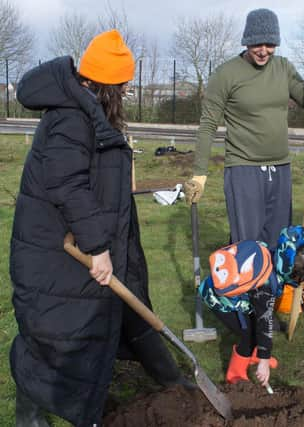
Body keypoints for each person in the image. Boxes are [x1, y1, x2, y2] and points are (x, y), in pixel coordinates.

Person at [11, 30, 189, 427]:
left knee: (106, 318)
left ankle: (171, 382)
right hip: (55, 250)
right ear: (105, 84)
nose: (125, 93)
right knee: (58, 333)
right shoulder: (72, 118)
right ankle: (35, 416)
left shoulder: (82, 109)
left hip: (78, 239)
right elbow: (68, 185)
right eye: (122, 86)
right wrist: (99, 248)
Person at [184, 8, 304, 252]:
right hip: (244, 169)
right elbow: (208, 126)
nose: (264, 50)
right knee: (248, 245)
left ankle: (273, 290)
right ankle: (247, 290)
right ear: (246, 40)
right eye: (257, 44)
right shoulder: (225, 74)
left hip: (280, 167)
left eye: (270, 44)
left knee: (280, 243)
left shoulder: (283, 68)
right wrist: (199, 173)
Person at [199, 226, 304, 385]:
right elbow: (265, 322)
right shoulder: (266, 286)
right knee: (248, 335)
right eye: (301, 280)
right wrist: (264, 361)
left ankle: (255, 354)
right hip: (221, 302)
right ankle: (235, 374)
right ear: (291, 274)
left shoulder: (271, 253)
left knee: (255, 326)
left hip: (237, 295)